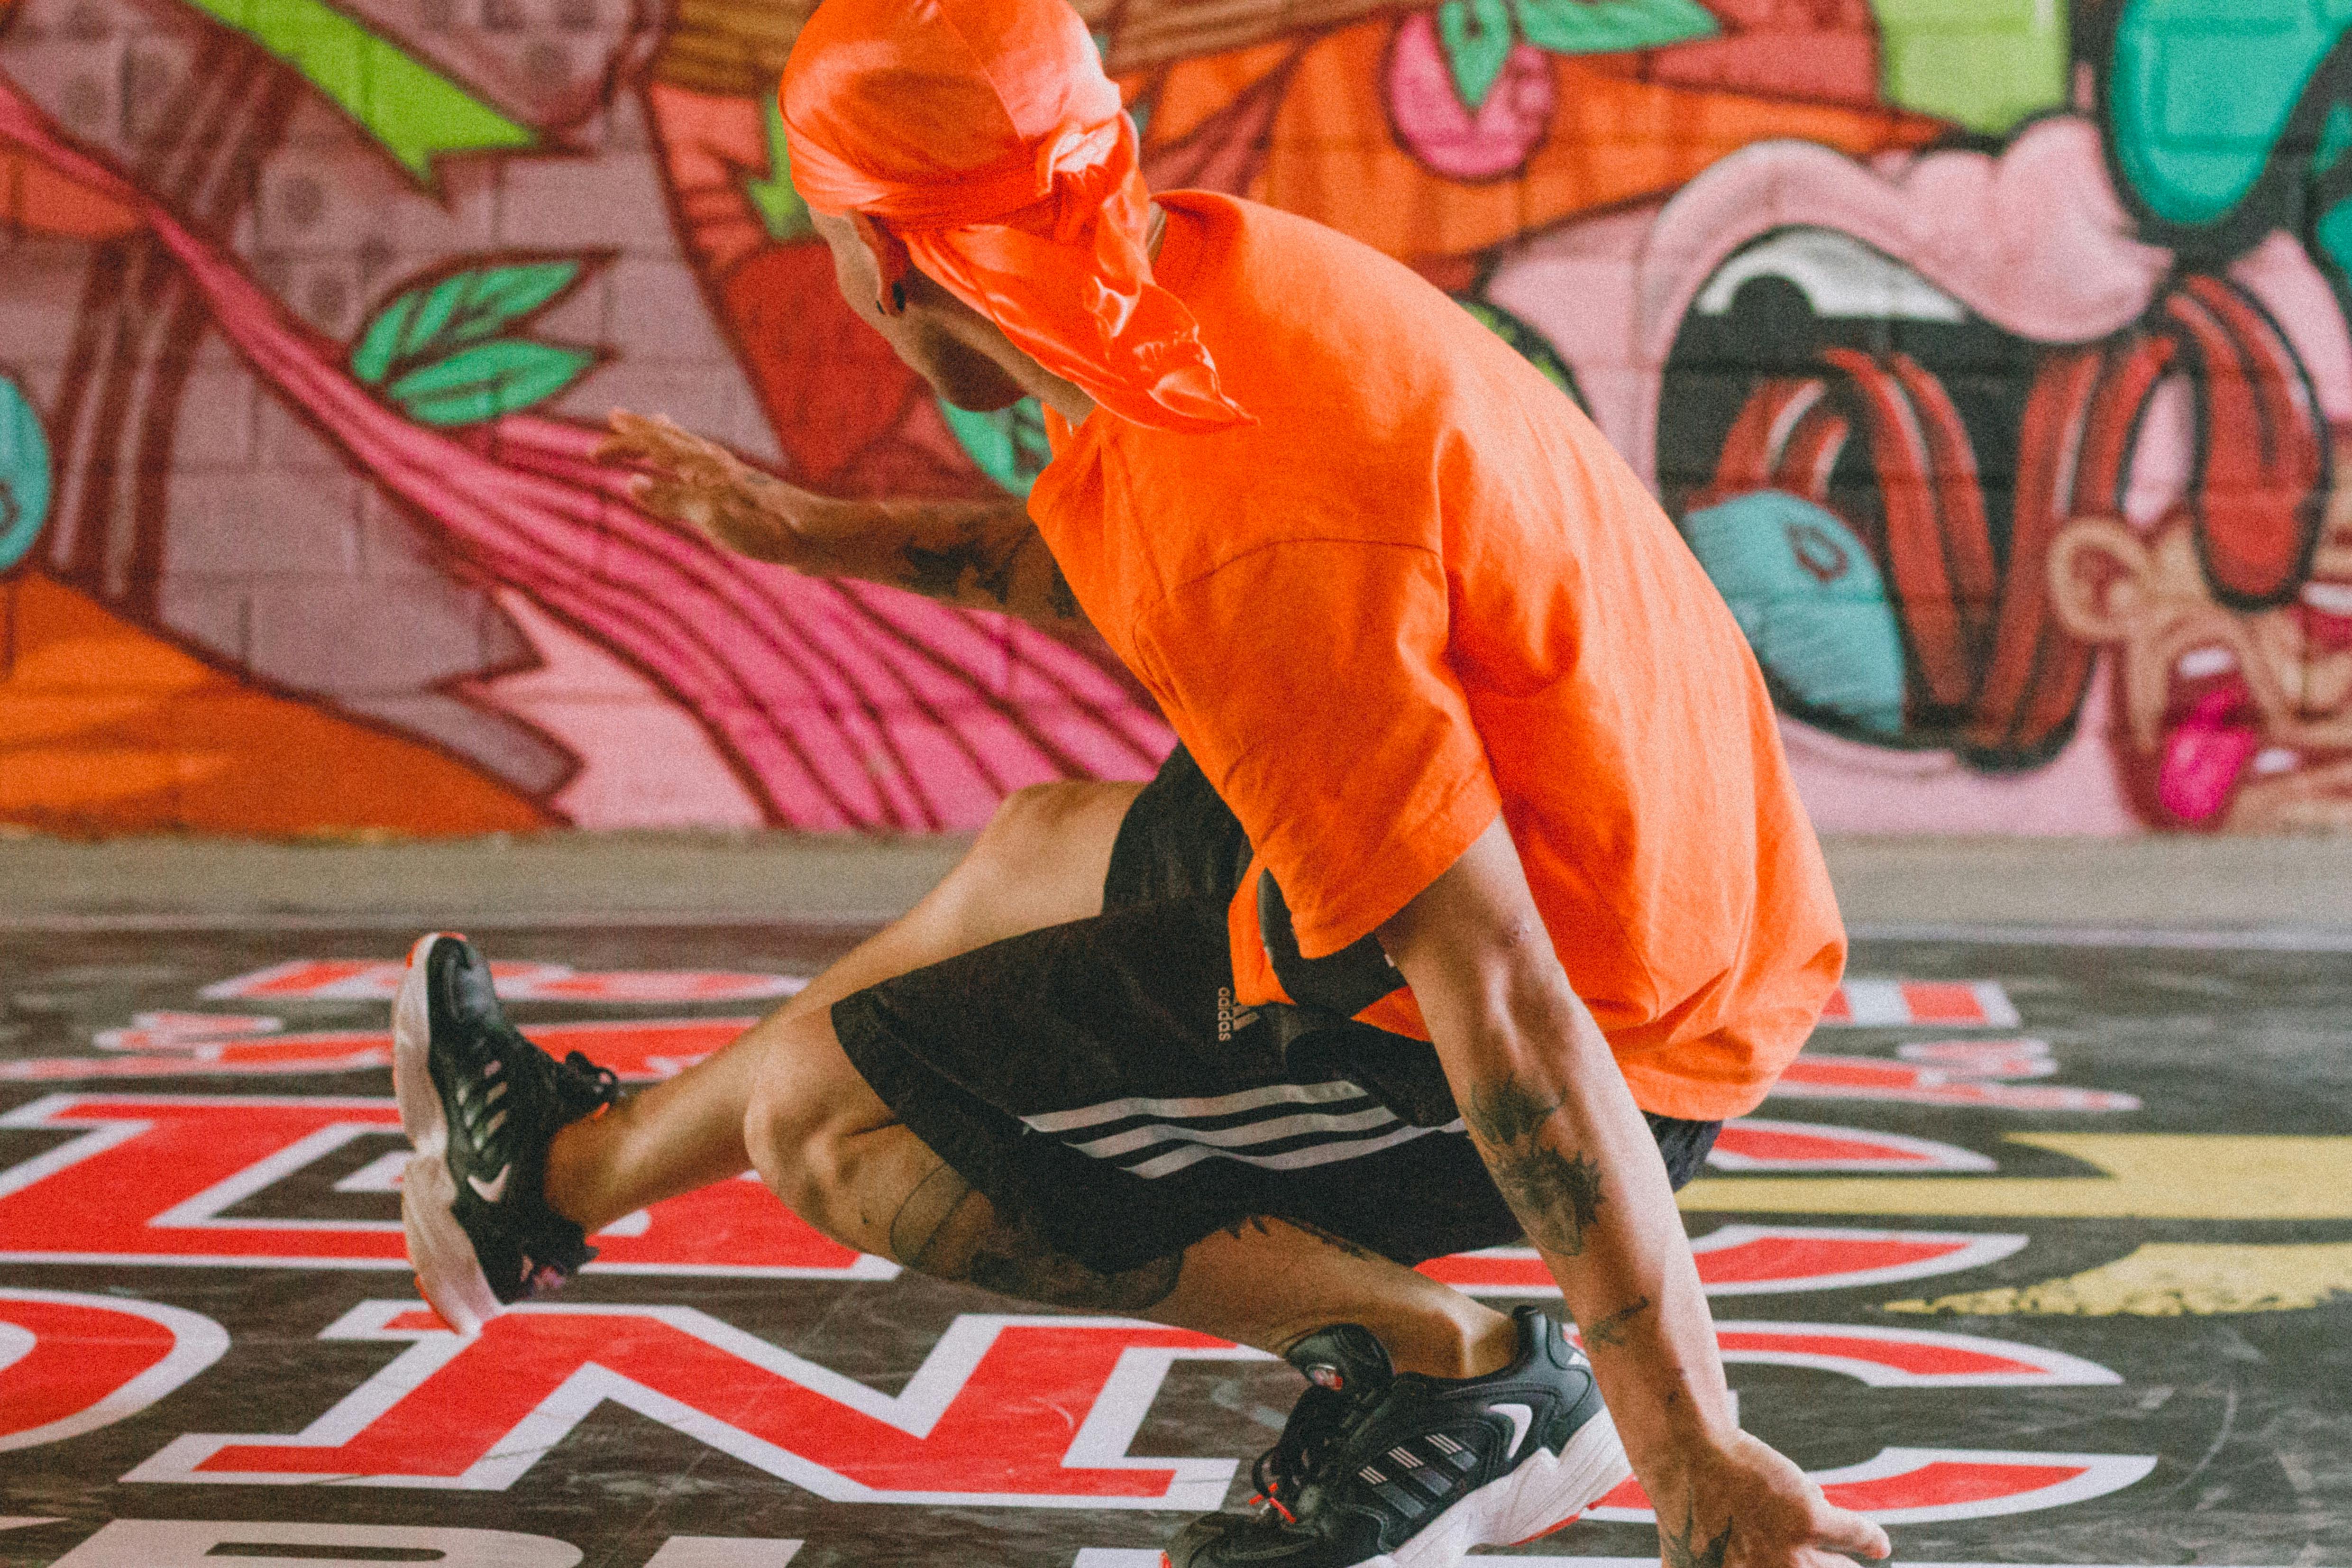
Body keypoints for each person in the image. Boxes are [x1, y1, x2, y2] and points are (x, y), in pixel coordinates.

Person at [387, 0, 1892, 1564]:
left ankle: (1464, 1379)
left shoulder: (1238, 522)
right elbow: (1131, 559)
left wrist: (1692, 1449)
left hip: (1622, 1032)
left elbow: (1504, 995)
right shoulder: (1195, 293)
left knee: (829, 1128)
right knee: (1038, 851)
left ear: (880, 255)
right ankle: (549, 1178)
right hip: (1648, 868)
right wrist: (809, 531)